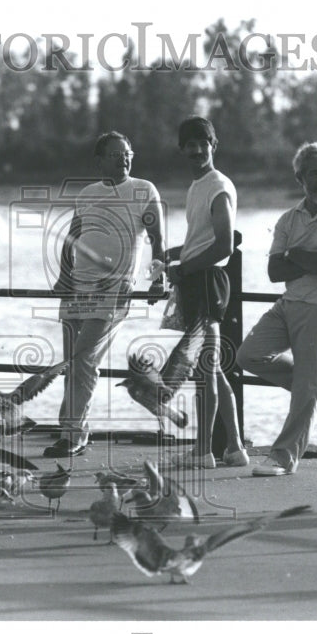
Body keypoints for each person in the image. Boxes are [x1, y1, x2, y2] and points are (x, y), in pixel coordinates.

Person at [237, 140, 317, 476]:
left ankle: (283, 457)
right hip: (290, 302)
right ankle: (311, 384)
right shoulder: (288, 219)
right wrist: (315, 261)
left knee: (307, 386)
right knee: (247, 355)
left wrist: (295, 255)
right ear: (300, 180)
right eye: (315, 173)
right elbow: (275, 272)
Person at [45, 132, 166, 458]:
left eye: (127, 153)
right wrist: (63, 278)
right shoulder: (87, 193)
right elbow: (71, 240)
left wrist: (157, 279)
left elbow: (157, 240)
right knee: (73, 362)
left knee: (84, 360)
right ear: (99, 161)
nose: (124, 159)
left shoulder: (144, 190)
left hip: (114, 289)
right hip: (76, 289)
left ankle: (71, 435)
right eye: (115, 155)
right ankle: (77, 431)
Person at [164, 117, 249, 470]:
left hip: (209, 281)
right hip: (198, 280)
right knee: (213, 369)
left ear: (214, 145)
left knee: (206, 370)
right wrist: (172, 254)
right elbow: (202, 238)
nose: (197, 150)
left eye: (204, 144)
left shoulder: (217, 185)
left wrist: (184, 267)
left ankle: (203, 451)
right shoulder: (197, 185)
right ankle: (234, 448)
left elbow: (224, 245)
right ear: (182, 149)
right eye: (191, 145)